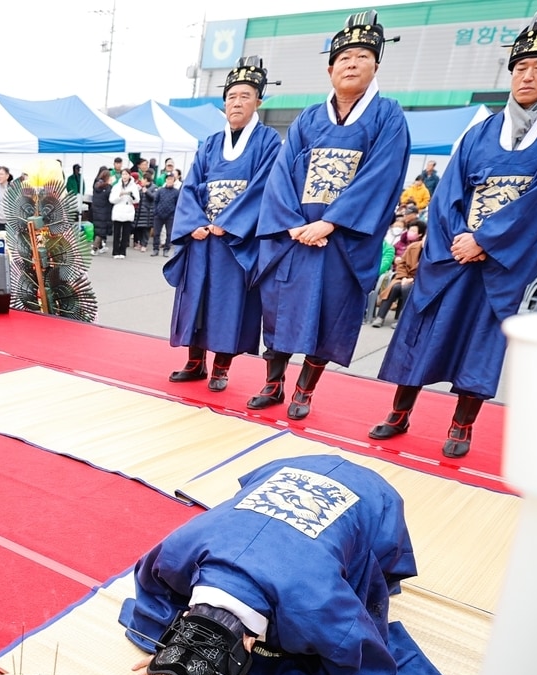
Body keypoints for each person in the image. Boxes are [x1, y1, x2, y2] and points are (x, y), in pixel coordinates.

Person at [121, 455, 470, 675]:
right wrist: (165, 647)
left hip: (372, 498)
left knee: (357, 569)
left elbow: (367, 672)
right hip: (287, 469)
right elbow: (153, 589)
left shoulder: (318, 606)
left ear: (249, 644)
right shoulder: (178, 551)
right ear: (184, 615)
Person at [370, 6, 537, 459]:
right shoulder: (480, 130)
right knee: (424, 329)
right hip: (453, 252)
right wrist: (458, 240)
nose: (526, 75)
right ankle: (399, 411)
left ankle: (462, 423)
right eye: (520, 66)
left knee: (480, 340)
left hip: (504, 259)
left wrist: (485, 241)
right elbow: (448, 193)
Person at [247, 10, 410, 419]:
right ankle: (273, 382)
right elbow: (282, 174)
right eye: (345, 57)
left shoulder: (388, 116)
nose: (352, 64)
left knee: (329, 313)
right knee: (281, 307)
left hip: (342, 240)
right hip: (297, 236)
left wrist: (330, 222)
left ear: (376, 65)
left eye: (362, 56)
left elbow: (381, 176)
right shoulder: (308, 117)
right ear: (330, 67)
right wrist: (294, 224)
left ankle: (305, 389)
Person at [164, 57, 284, 392]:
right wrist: (195, 223)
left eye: (245, 96)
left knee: (230, 303)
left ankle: (220, 367)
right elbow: (190, 185)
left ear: (258, 100)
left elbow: (265, 187)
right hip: (203, 237)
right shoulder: (211, 143)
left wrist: (228, 223)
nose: (236, 102)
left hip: (236, 242)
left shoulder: (269, 141)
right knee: (196, 299)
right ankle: (194, 361)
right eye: (231, 96)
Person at [371, 222, 422, 327]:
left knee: (407, 288)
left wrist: (413, 279)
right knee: (394, 287)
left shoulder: (433, 253)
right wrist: (403, 277)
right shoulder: (413, 247)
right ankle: (380, 317)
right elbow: (402, 264)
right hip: (403, 277)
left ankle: (402, 320)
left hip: (419, 281)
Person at [108, 170, 139, 258]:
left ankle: (123, 252)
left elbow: (137, 200)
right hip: (118, 210)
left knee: (126, 234)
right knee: (117, 233)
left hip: (128, 210)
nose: (124, 176)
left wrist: (131, 195)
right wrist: (119, 195)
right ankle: (115, 252)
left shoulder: (134, 186)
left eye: (126, 174)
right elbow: (111, 199)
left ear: (129, 175)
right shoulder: (116, 186)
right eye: (123, 174)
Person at [89, 165, 114, 254]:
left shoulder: (96, 184)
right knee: (101, 231)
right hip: (104, 211)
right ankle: (95, 248)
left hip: (96, 210)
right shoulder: (107, 187)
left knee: (98, 229)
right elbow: (111, 198)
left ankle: (100, 246)